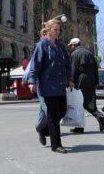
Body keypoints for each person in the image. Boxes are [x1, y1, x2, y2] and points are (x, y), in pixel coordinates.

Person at [27, 19, 74, 154]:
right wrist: (32, 81)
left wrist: (70, 79)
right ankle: (56, 145)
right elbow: (35, 65)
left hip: (59, 85)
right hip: (47, 85)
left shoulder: (60, 46)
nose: (57, 32)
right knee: (53, 115)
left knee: (62, 111)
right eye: (55, 30)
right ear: (47, 30)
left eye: (59, 30)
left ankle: (42, 128)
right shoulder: (41, 45)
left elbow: (67, 64)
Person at [69, 37, 104, 133]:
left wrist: (71, 81)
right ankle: (82, 125)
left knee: (79, 103)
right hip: (91, 80)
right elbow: (95, 68)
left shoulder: (74, 54)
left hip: (81, 80)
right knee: (89, 102)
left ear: (74, 45)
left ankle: (81, 126)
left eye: (72, 45)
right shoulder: (89, 53)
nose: (71, 47)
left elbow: (73, 69)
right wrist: (96, 82)